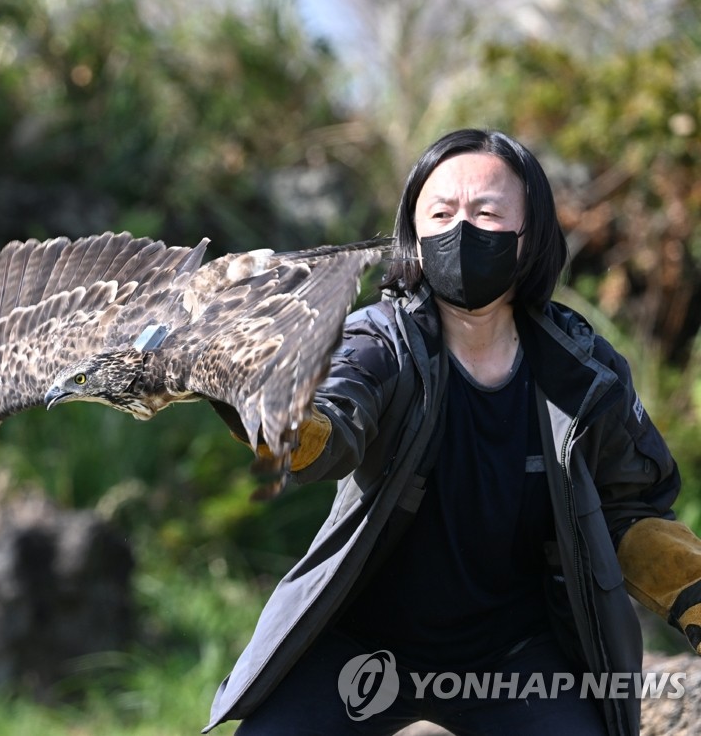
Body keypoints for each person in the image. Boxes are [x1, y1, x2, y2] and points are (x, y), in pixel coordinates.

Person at [205, 128, 701, 736]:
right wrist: (257, 396)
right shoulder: (378, 342)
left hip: (516, 661)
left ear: (529, 237)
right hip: (357, 648)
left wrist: (690, 591)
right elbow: (327, 428)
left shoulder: (582, 371)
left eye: (487, 212)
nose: (460, 229)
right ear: (414, 235)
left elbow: (630, 508)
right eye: (440, 213)